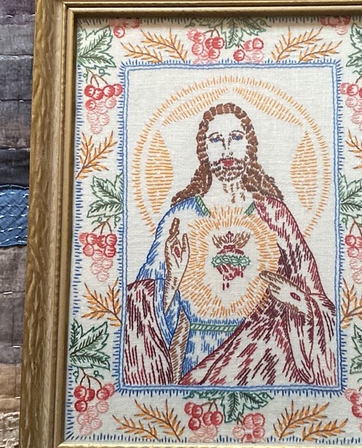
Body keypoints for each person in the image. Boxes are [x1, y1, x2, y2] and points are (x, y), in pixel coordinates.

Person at [123, 102, 337, 386]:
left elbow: (320, 305)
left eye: (235, 137)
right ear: (203, 151)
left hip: (267, 357)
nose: (226, 149)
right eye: (215, 140)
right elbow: (140, 316)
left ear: (249, 147)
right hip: (198, 356)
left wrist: (295, 299)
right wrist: (173, 278)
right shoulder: (180, 218)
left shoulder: (275, 215)